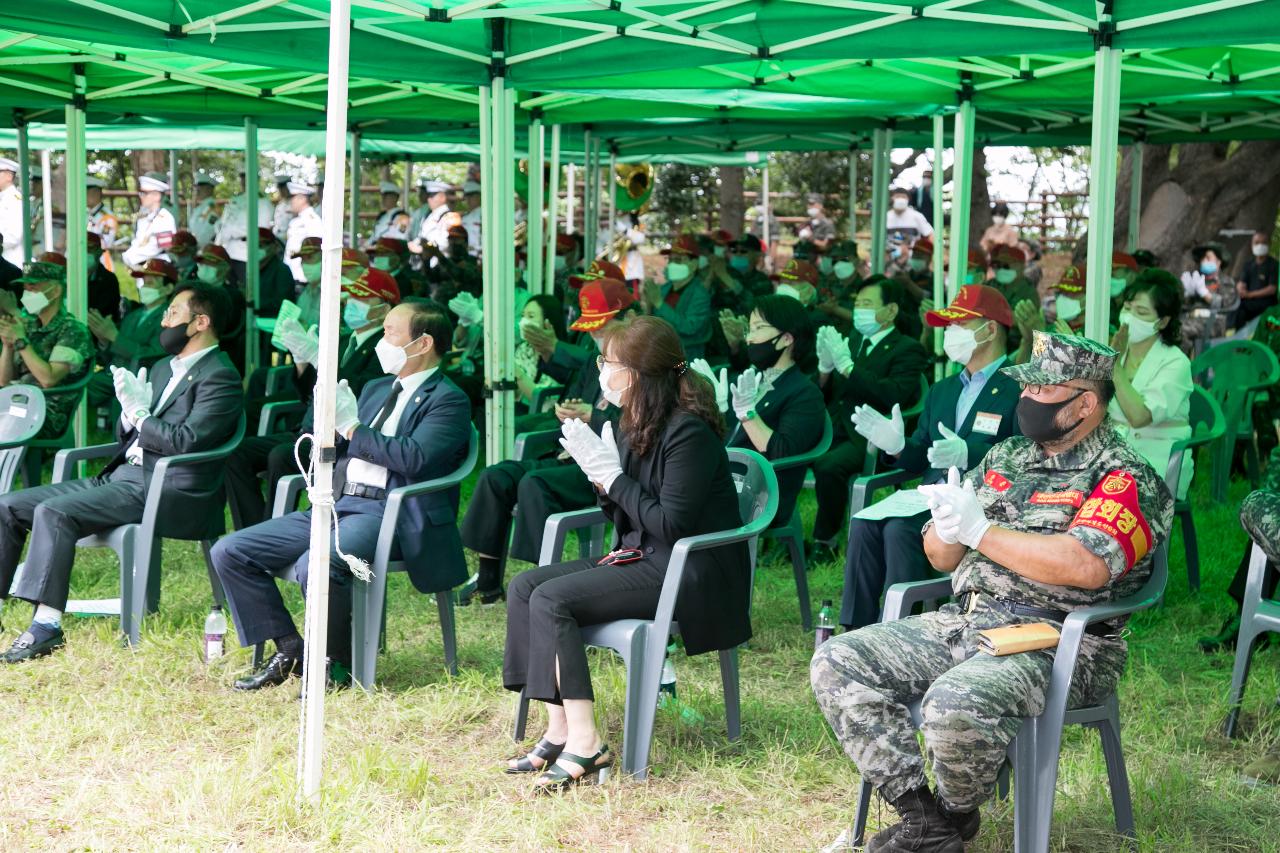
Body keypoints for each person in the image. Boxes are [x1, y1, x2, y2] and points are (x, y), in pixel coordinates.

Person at [812, 330, 1173, 853]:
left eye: (1043, 391)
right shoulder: (1007, 456)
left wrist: (983, 533)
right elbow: (942, 558)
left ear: (1086, 404)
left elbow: (1086, 565)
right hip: (970, 620)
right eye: (1026, 389)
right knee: (837, 660)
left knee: (953, 700)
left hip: (1056, 639)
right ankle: (924, 820)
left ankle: (956, 815)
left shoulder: (1123, 475)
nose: (1027, 400)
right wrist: (946, 526)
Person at [502, 315, 750, 791]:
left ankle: (587, 742)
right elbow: (628, 517)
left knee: (552, 600)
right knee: (525, 586)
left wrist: (614, 478)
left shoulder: (688, 433)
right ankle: (558, 730)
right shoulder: (632, 422)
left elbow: (673, 526)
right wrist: (601, 479)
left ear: (637, 373)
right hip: (644, 556)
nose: (602, 372)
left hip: (691, 570)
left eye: (609, 363)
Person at [212, 299, 471, 689]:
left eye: (389, 333)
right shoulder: (375, 387)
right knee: (230, 551)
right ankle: (290, 647)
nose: (381, 341)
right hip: (340, 502)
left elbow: (414, 458)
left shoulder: (448, 399)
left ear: (422, 344)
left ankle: (334, 664)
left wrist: (352, 428)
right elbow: (336, 442)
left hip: (390, 513)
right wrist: (329, 423)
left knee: (314, 564)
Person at [0, 282, 243, 661]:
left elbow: (187, 441)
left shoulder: (221, 377)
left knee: (55, 512)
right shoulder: (165, 367)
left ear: (201, 322)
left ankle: (45, 627)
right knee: (7, 506)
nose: (165, 320)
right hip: (124, 476)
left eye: (173, 312)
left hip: (167, 486)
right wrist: (130, 416)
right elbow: (127, 435)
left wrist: (141, 417)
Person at [843, 286, 1020, 630]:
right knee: (865, 523)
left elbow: (1023, 456)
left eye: (959, 324)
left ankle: (902, 628)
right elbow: (921, 457)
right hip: (930, 495)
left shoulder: (1017, 387)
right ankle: (854, 629)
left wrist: (971, 453)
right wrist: (895, 445)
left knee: (898, 530)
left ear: (991, 328)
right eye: (948, 325)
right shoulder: (944, 389)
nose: (950, 334)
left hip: (982, 500)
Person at [459, 278, 633, 605]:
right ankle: (487, 578)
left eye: (603, 327)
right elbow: (577, 398)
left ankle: (537, 580)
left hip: (605, 467)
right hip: (568, 452)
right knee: (497, 476)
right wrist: (567, 412)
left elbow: (639, 428)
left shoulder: (641, 364)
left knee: (534, 484)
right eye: (592, 330)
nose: (597, 336)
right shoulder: (591, 361)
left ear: (628, 319)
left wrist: (592, 418)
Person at [224, 262, 393, 530]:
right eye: (351, 296)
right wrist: (303, 362)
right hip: (309, 428)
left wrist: (320, 362)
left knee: (281, 455)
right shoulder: (343, 341)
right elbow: (308, 396)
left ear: (384, 308)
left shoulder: (384, 349)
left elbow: (361, 392)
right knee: (238, 453)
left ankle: (273, 530)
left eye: (363, 297)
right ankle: (252, 529)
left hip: (340, 439)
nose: (351, 302)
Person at [810, 277, 928, 556]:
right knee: (784, 448)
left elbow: (893, 395)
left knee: (828, 466)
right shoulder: (851, 340)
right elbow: (825, 395)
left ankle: (824, 542)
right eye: (857, 303)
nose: (859, 309)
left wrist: (849, 368)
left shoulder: (907, 348)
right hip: (833, 425)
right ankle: (774, 536)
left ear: (890, 311)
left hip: (867, 435)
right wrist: (825, 369)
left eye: (867, 304)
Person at [717, 294, 826, 528]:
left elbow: (783, 452)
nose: (749, 337)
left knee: (676, 498)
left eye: (758, 328)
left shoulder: (804, 393)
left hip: (759, 491)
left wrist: (748, 415)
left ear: (786, 338)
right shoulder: (753, 381)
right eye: (749, 329)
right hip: (724, 476)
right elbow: (727, 439)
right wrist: (716, 410)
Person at [1108, 270, 1193, 498]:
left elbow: (1139, 416)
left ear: (1162, 321)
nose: (1129, 317)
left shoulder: (1176, 363)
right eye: (1127, 308)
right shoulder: (1115, 350)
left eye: (1141, 312)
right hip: (1111, 457)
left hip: (1156, 463)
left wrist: (1113, 367)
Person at [0, 253, 95, 440]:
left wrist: (20, 341)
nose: (27, 291)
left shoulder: (73, 330)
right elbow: (4, 380)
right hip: (17, 403)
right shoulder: (29, 326)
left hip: (45, 410)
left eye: (34, 286)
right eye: (26, 286)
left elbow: (48, 379)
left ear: (56, 291)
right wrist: (8, 346)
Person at [86, 257, 173, 408]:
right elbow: (109, 357)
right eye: (144, 283)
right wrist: (104, 340)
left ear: (168, 289)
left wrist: (114, 337)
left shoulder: (169, 318)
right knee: (81, 383)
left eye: (151, 283)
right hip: (113, 375)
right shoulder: (133, 315)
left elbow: (151, 355)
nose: (144, 287)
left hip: (140, 379)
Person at [641, 234, 712, 358]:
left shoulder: (700, 294)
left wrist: (659, 303)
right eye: (671, 259)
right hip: (661, 352)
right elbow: (652, 320)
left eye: (678, 260)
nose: (672, 264)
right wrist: (648, 302)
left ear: (694, 264)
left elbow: (690, 328)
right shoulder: (664, 288)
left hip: (686, 356)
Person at [213, 171, 276, 284]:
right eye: (242, 178)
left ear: (256, 180)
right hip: (228, 252)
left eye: (247, 178)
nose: (244, 182)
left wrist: (233, 230)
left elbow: (262, 229)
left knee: (246, 289)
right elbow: (223, 223)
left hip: (246, 253)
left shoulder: (263, 202)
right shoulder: (236, 200)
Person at [1181, 241, 1239, 354]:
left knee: (1180, 332)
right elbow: (1185, 306)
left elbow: (1225, 303)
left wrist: (1204, 293)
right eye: (1202, 259)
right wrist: (1188, 294)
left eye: (1208, 258)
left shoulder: (1225, 281)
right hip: (1192, 319)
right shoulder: (1198, 279)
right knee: (1166, 331)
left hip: (1213, 322)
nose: (1204, 261)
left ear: (1218, 262)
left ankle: (1183, 367)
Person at [515, 294, 566, 412]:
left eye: (531, 316)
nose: (524, 321)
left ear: (548, 322)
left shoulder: (559, 357)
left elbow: (542, 402)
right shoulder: (524, 348)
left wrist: (515, 371)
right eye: (523, 316)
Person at [122, 173, 177, 269]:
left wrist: (130, 257)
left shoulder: (165, 218)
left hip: (159, 268)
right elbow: (139, 241)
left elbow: (156, 248)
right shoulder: (145, 215)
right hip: (143, 266)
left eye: (145, 193)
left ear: (157, 196)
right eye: (141, 193)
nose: (141, 196)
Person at [1236, 230, 1278, 329]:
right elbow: (1242, 282)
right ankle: (1238, 337)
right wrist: (1240, 288)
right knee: (1237, 307)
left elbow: (1272, 289)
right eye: (1257, 242)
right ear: (1252, 244)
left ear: (1269, 244)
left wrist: (1250, 295)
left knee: (1242, 307)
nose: (1260, 245)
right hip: (1249, 301)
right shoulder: (1248, 264)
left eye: (1263, 243)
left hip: (1266, 303)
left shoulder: (1273, 265)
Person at [282, 181, 323, 284]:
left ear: (302, 199)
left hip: (302, 276)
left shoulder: (312, 220)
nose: (291, 202)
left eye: (293, 198)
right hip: (291, 274)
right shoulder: (297, 220)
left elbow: (315, 249)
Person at [413, 180, 459, 257]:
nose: (429, 199)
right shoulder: (429, 215)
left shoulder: (450, 217)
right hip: (426, 262)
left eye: (432, 196)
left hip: (442, 263)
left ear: (442, 197)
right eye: (428, 196)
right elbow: (422, 236)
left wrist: (422, 248)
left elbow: (447, 243)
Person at [85, 233, 122, 322]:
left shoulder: (108, 280)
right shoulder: (67, 276)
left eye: (90, 249)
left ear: (100, 252)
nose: (85, 252)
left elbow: (100, 314)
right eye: (82, 249)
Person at [367, 181, 410, 247]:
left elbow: (400, 238)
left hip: (391, 252)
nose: (383, 199)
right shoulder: (382, 216)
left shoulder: (402, 217)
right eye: (383, 196)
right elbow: (373, 237)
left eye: (387, 196)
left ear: (395, 198)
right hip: (377, 251)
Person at [86, 176, 119, 261]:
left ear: (96, 194)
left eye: (88, 193)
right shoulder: (84, 213)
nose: (85, 197)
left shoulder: (107, 217)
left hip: (99, 260)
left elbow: (106, 243)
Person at [189, 172, 221, 248]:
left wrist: (195, 247)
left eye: (200, 188)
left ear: (209, 189)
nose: (197, 191)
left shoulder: (212, 207)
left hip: (205, 249)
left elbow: (208, 232)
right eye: (196, 189)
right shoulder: (201, 207)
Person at [0, 158, 22, 267]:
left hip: (10, 261)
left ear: (9, 176)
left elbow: (14, 235)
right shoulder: (3, 197)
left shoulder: (15, 200)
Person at [458, 180, 483, 257]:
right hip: (466, 257)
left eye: (471, 196)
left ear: (479, 196)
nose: (468, 200)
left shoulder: (484, 215)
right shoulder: (465, 217)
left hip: (481, 257)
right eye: (466, 196)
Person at [270, 173, 293, 240]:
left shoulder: (294, 204)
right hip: (277, 240)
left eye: (283, 188)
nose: (281, 191)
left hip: (289, 239)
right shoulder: (279, 206)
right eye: (279, 188)